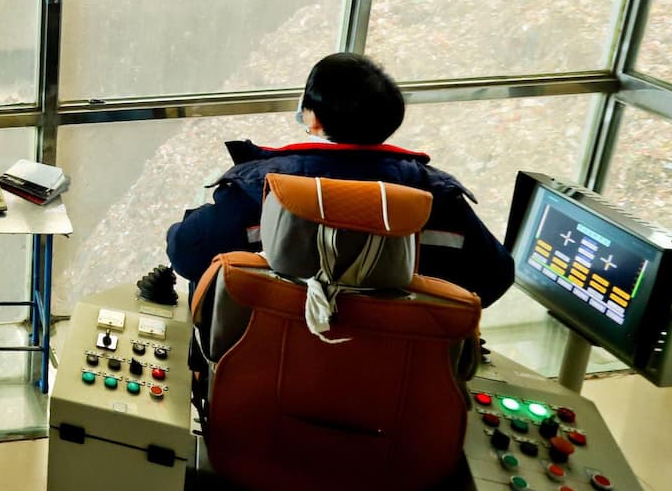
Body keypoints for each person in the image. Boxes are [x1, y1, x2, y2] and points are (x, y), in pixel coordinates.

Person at [166, 52, 514, 307]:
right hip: (390, 378)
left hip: (267, 364)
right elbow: (494, 276)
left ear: (314, 119)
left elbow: (186, 253)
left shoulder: (264, 188)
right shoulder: (434, 197)